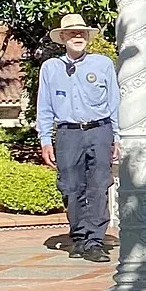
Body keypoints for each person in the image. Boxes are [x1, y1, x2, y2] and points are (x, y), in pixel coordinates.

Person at [36, 14, 119, 260]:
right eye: (72, 33)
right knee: (70, 187)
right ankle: (79, 237)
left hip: (99, 130)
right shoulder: (50, 68)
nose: (78, 37)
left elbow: (114, 102)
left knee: (98, 185)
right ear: (62, 37)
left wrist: (117, 136)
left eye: (82, 33)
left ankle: (95, 240)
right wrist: (45, 139)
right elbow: (44, 107)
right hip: (68, 134)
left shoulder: (102, 64)